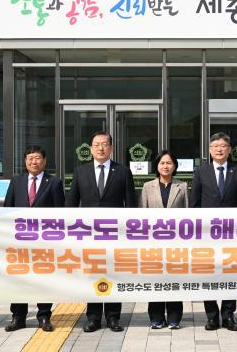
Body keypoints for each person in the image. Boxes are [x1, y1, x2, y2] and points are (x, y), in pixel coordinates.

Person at [67, 131, 136, 333]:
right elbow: (71, 205)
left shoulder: (122, 171)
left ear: (111, 148)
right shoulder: (80, 172)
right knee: (92, 275)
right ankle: (93, 317)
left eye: (104, 144)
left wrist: (129, 234)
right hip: (89, 236)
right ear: (90, 149)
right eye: (96, 144)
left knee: (114, 274)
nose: (100, 148)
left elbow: (131, 204)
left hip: (115, 235)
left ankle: (113, 317)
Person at [3, 145, 65, 333]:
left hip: (44, 241)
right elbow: (7, 209)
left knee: (44, 278)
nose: (34, 162)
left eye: (38, 158)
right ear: (25, 161)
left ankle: (44, 316)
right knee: (18, 278)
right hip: (19, 241)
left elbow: (60, 213)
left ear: (44, 161)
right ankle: (18, 317)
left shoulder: (53, 182)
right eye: (30, 158)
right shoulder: (17, 181)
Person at [191, 132, 237, 331]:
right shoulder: (201, 172)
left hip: (232, 234)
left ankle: (228, 315)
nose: (219, 149)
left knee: (231, 273)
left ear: (229, 149)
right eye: (215, 146)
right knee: (209, 273)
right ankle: (212, 316)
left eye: (223, 146)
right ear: (209, 150)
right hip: (208, 234)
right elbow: (195, 203)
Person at [139, 150, 189, 329]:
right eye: (162, 163)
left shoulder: (182, 186)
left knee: (174, 279)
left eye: (169, 163)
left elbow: (188, 215)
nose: (165, 166)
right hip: (153, 243)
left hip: (176, 243)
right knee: (155, 279)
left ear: (174, 166)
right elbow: (142, 215)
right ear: (157, 166)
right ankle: (156, 317)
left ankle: (174, 317)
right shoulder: (147, 187)